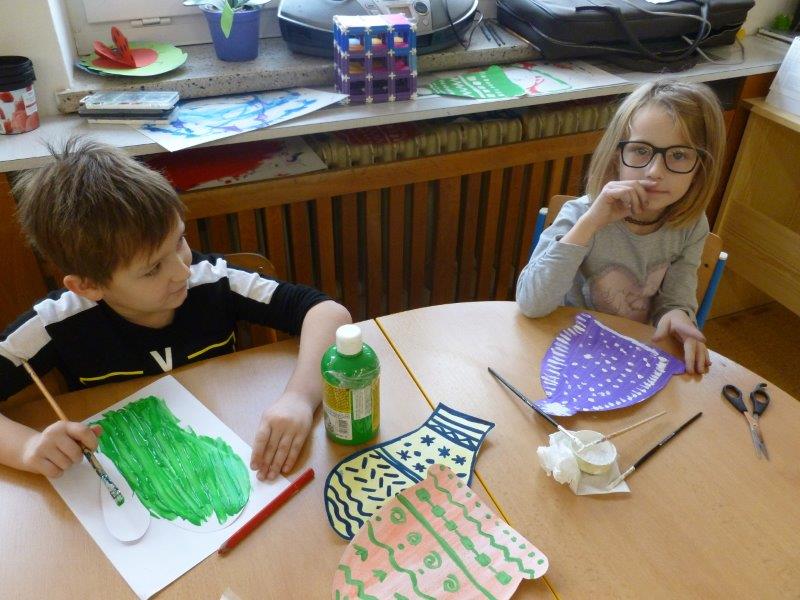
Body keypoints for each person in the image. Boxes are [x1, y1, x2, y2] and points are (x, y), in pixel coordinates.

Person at [0, 137, 351, 482]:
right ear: (88, 286)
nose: (182, 271)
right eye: (153, 268)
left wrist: (298, 399)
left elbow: (327, 313)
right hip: (134, 474)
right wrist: (27, 448)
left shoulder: (212, 280)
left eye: (179, 240)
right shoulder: (57, 321)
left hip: (224, 458)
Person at [516, 80, 725, 374]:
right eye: (640, 150)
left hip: (631, 355)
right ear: (617, 157)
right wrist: (589, 223)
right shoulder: (581, 214)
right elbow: (531, 303)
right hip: (564, 347)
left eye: (679, 155)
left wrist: (678, 315)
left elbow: (675, 301)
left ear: (701, 166)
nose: (655, 171)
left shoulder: (691, 225)